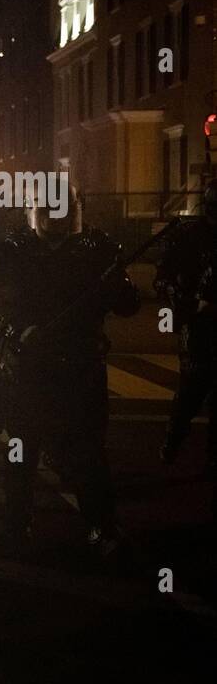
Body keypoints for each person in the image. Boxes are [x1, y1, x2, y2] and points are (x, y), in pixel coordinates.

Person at [0, 195, 140, 550]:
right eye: (48, 210)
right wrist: (16, 331)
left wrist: (115, 280)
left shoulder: (96, 247)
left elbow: (129, 304)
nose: (56, 218)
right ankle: (17, 523)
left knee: (89, 450)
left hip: (80, 365)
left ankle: (101, 523)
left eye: (64, 210)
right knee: (22, 449)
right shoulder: (10, 251)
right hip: (28, 366)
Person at [155, 182, 217, 478]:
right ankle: (172, 441)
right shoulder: (188, 236)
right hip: (199, 324)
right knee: (192, 389)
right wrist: (186, 302)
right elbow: (163, 278)